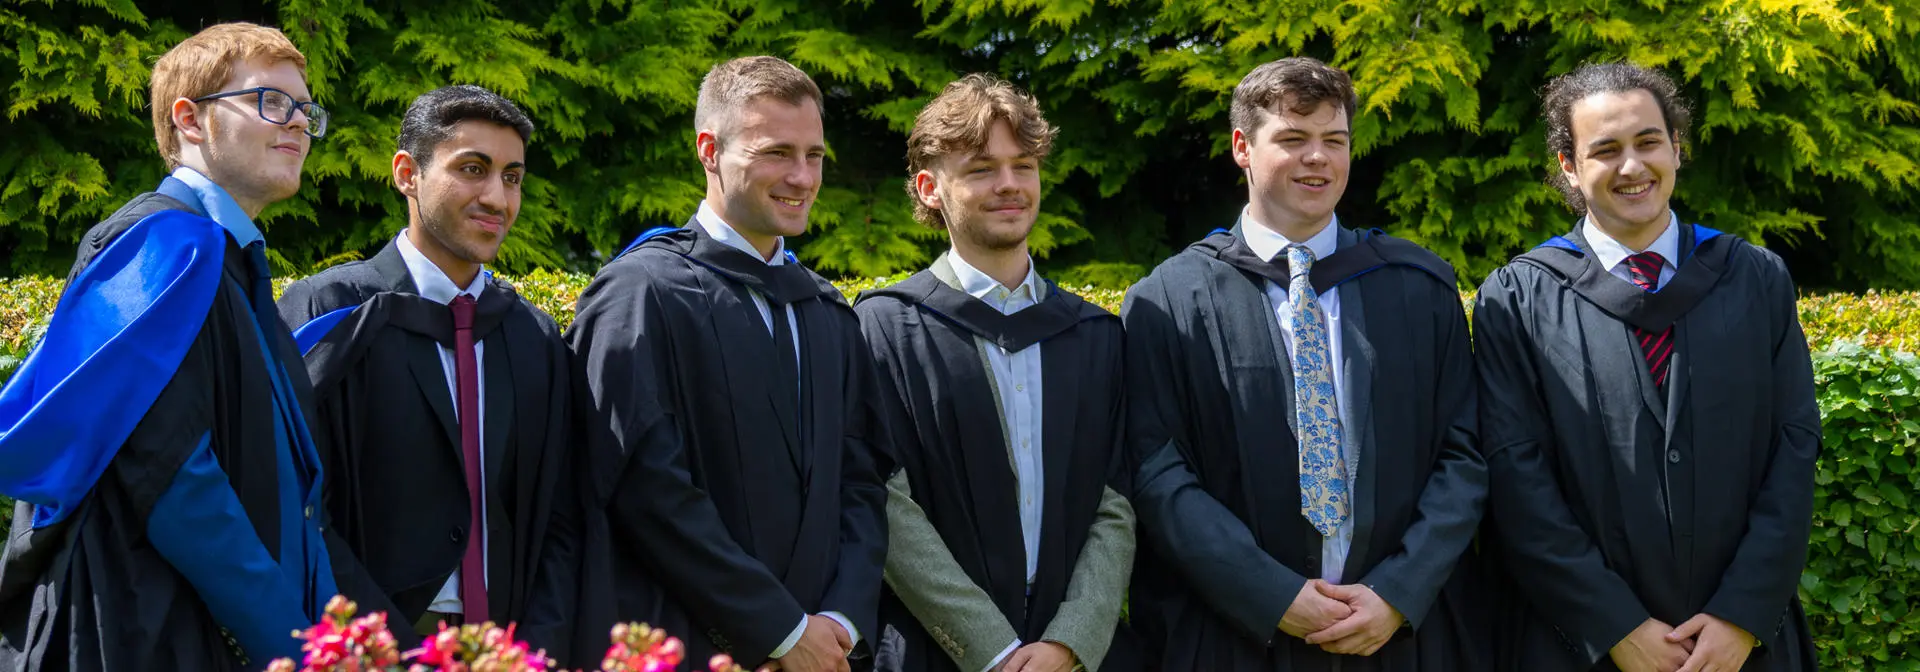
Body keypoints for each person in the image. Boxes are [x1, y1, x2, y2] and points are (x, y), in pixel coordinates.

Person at [0, 22, 381, 669]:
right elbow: (174, 479)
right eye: (271, 102)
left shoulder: (234, 268)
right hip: (140, 632)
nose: (297, 124)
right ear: (190, 120)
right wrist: (292, 645)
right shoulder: (160, 246)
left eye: (305, 110)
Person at [1121, 56, 1488, 671]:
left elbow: (1463, 455)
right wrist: (1273, 595)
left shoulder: (1419, 287)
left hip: (1400, 636)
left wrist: (1398, 592)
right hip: (1233, 637)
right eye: (1293, 139)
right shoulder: (1170, 300)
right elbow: (1157, 474)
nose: (1317, 157)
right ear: (1242, 147)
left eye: (1334, 141)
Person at [1474, 62, 1821, 672]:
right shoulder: (1519, 299)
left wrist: (1742, 614)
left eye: (1648, 142)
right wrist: (1616, 625)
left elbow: (1793, 448)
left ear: (1677, 148)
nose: (1632, 167)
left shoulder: (1755, 279)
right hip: (1580, 645)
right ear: (1569, 167)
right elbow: (1515, 476)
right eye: (1605, 150)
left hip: (1742, 647)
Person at [567, 55, 890, 672]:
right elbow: (644, 488)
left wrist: (839, 622)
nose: (802, 177)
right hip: (685, 645)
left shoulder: (827, 312)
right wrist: (779, 630)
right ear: (709, 150)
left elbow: (862, 483)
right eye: (776, 153)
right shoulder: (641, 295)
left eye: (814, 156)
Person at [277, 85, 579, 658]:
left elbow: (559, 516)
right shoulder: (331, 312)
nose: (497, 197)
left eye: (512, 177)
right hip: (363, 648)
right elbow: (296, 503)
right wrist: (389, 649)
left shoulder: (531, 336)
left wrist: (532, 651)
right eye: (473, 169)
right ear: (406, 174)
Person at [854, 74, 1136, 672]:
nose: (1009, 185)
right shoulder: (884, 328)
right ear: (931, 188)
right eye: (982, 168)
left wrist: (1072, 640)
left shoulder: (1093, 335)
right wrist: (992, 649)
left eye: (1024, 165)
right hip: (934, 653)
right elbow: (883, 501)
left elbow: (1117, 500)